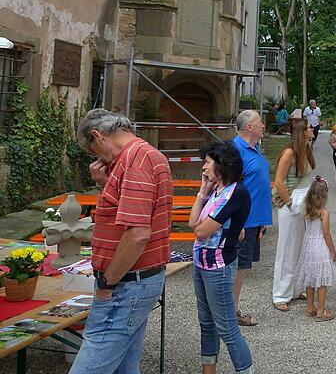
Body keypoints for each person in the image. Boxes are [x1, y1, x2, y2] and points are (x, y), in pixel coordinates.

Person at [70, 109, 172, 373]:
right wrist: (106, 184)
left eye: (93, 151)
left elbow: (138, 233)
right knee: (123, 367)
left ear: (97, 136)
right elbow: (127, 214)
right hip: (135, 280)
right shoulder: (139, 157)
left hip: (126, 283)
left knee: (91, 363)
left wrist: (107, 283)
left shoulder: (135, 160)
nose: (97, 159)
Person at [188, 142, 253, 374]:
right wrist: (202, 191)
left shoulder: (236, 192)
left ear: (222, 166)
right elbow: (192, 223)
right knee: (206, 325)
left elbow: (201, 231)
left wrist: (200, 227)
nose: (203, 167)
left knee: (226, 327)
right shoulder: (216, 190)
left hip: (218, 267)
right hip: (201, 263)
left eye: (207, 162)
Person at [231, 110, 272, 326]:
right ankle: (230, 313)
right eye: (259, 122)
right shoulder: (235, 150)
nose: (263, 125)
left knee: (242, 267)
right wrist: (236, 222)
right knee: (235, 268)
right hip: (242, 222)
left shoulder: (254, 149)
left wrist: (262, 220)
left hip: (254, 220)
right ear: (249, 127)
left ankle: (231, 309)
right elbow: (229, 189)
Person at [272, 118, 316, 312]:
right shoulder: (289, 152)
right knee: (287, 249)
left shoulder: (306, 150)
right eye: (308, 127)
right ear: (301, 132)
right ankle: (280, 294)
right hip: (292, 204)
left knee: (299, 249)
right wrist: (290, 204)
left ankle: (294, 289)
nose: (312, 129)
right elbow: (279, 181)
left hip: (303, 203)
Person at [295, 176, 336, 322]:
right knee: (322, 280)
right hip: (320, 247)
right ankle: (321, 310)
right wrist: (332, 250)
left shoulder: (307, 210)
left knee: (310, 278)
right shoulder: (324, 212)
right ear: (324, 196)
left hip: (308, 247)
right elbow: (326, 233)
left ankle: (309, 307)